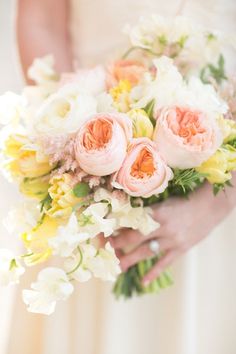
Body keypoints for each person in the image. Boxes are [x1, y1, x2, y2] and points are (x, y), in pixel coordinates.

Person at [5, 1, 236, 353]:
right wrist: (77, 148)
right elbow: (42, 18)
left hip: (221, 207)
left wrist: (218, 201)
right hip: (90, 202)